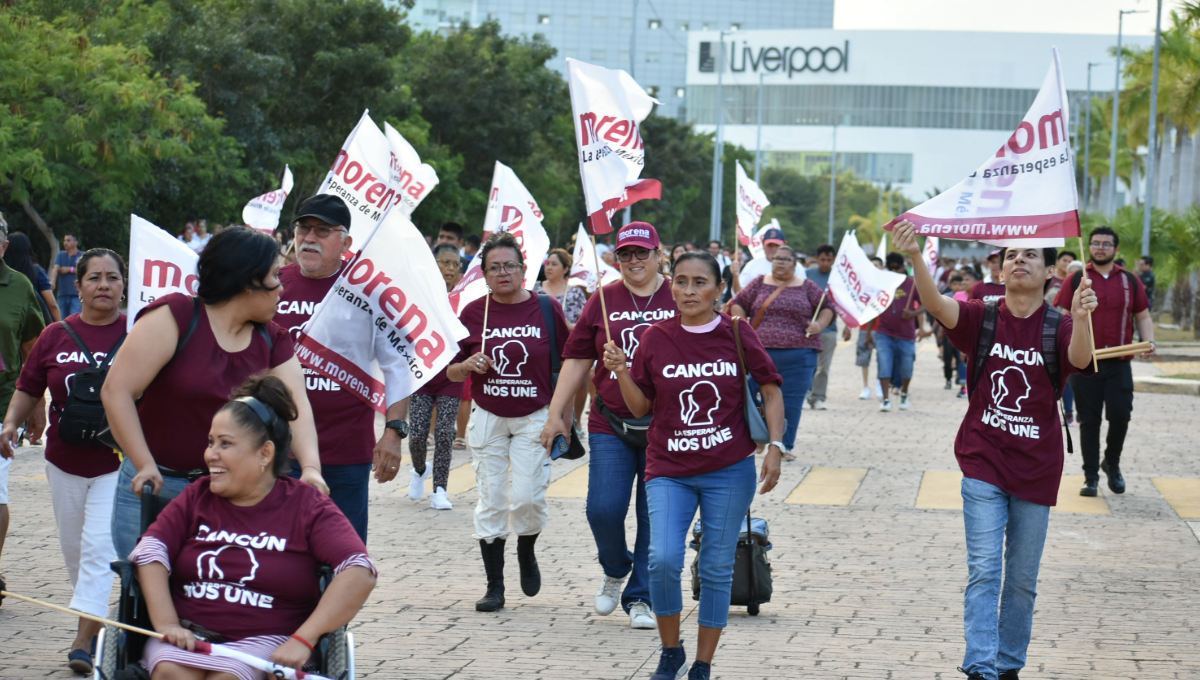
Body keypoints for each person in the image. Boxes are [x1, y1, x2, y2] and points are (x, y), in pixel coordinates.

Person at [894, 220, 1096, 680]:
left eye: (1030, 255)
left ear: (1050, 273)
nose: (1018, 260)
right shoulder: (982, 316)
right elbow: (936, 305)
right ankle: (981, 664)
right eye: (1010, 255)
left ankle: (1008, 665)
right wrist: (918, 258)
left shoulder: (1060, 324)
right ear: (1001, 270)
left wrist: (1082, 317)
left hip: (1038, 468)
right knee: (985, 569)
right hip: (982, 460)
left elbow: (1081, 360)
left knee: (1022, 581)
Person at [602, 251, 786, 680]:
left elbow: (772, 389)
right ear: (671, 286)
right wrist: (622, 372)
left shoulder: (737, 333)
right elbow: (639, 407)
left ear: (719, 289)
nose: (689, 290)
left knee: (717, 567)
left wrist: (775, 446)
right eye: (681, 281)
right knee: (663, 559)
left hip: (729, 469)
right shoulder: (655, 337)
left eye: (700, 282)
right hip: (668, 467)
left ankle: (702, 664)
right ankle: (671, 651)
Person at [128, 374, 377, 679]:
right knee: (170, 672)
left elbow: (358, 570)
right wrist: (167, 624)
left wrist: (303, 639)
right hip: (190, 635)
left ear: (265, 453)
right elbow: (151, 551)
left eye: (225, 444)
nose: (210, 454)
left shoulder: (306, 505)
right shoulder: (197, 495)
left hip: (267, 642)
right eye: (211, 442)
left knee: (232, 676)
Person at [102, 227, 328, 560]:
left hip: (233, 496)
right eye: (274, 277)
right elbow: (116, 391)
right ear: (247, 281)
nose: (282, 287)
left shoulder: (273, 339)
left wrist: (311, 467)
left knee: (214, 598)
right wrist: (144, 464)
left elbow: (296, 408)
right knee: (146, 602)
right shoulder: (177, 316)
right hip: (155, 489)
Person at [541, 222, 676, 630]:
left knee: (655, 516)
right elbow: (578, 358)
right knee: (603, 509)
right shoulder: (602, 298)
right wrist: (556, 414)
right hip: (610, 421)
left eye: (642, 253)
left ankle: (641, 597)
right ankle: (616, 567)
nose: (634, 261)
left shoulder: (681, 294)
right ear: (615, 258)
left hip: (666, 425)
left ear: (658, 254)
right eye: (625, 254)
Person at [2, 249, 127, 674]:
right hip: (62, 462)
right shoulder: (56, 334)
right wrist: (9, 423)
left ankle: (83, 639)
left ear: (124, 285)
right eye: (95, 278)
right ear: (78, 285)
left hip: (117, 463)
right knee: (75, 551)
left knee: (97, 548)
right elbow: (29, 384)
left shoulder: (141, 333)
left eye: (112, 277)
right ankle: (94, 617)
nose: (104, 285)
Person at [273, 195, 408, 541]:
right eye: (303, 229)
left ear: (346, 242)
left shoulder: (369, 292)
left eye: (322, 231)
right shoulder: (271, 285)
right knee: (282, 554)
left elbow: (397, 365)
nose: (309, 238)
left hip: (345, 453)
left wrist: (393, 433)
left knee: (343, 557)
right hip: (277, 450)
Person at [446, 231, 568, 613]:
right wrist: (466, 365)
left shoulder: (547, 310)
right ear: (483, 274)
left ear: (523, 269)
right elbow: (447, 372)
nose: (503, 273)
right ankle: (494, 585)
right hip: (489, 417)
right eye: (494, 268)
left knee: (529, 498)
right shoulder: (472, 314)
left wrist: (562, 417)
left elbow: (570, 364)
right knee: (492, 499)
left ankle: (526, 548)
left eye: (510, 266)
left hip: (535, 417)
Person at [1053, 226, 1154, 497]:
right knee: (1089, 420)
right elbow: (1063, 316)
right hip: (1085, 363)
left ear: (1115, 249)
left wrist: (1150, 342)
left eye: (1106, 244)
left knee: (1121, 416)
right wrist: (1062, 348)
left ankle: (1112, 462)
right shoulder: (1077, 279)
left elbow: (1142, 315)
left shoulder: (1130, 280)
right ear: (1090, 246)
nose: (1100, 248)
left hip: (1120, 363)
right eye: (1095, 243)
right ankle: (1090, 478)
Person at [730, 245, 833, 457]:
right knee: (753, 396)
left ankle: (783, 445)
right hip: (760, 354)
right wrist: (741, 324)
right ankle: (758, 438)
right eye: (777, 258)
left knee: (791, 401)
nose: (779, 262)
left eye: (785, 259)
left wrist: (819, 326)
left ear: (795, 264)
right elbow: (738, 302)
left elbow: (828, 307)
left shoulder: (807, 286)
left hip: (800, 355)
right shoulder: (759, 282)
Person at [0, 214, 48, 605]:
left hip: (1, 406)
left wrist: (37, 405)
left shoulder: (19, 286)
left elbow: (33, 349)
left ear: (3, 247)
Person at [408, 243, 467, 510]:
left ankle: (440, 489)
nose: (450, 269)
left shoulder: (465, 299)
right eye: (445, 262)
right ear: (434, 264)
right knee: (418, 435)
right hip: (423, 373)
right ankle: (420, 470)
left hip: (452, 376)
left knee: (445, 433)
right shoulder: (418, 295)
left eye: (455, 264)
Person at [875, 252, 924, 412]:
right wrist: (869, 333)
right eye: (891, 269)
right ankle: (885, 399)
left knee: (907, 367)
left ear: (903, 268)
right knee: (884, 364)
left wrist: (913, 313)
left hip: (906, 334)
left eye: (898, 269)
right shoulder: (881, 283)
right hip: (884, 332)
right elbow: (872, 309)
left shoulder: (911, 283)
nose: (895, 272)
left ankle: (904, 392)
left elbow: (926, 304)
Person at [804, 244, 839, 410]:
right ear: (817, 259)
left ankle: (818, 397)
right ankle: (804, 394)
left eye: (829, 260)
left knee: (823, 368)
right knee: (807, 365)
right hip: (807, 329)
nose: (825, 263)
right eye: (822, 259)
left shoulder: (838, 277)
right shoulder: (806, 275)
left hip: (829, 330)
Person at [4, 232, 60, 325]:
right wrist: (60, 326)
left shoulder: (4, 274)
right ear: (28, 249)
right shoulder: (36, 271)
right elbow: (52, 304)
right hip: (35, 325)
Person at [534, 249, 587, 330]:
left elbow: (587, 325)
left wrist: (569, 326)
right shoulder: (534, 289)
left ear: (565, 269)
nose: (549, 268)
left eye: (554, 264)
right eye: (547, 263)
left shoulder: (576, 294)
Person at [730, 227, 788, 294]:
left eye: (777, 245)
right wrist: (736, 276)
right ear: (763, 244)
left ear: (785, 244)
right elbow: (739, 294)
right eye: (770, 245)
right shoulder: (752, 265)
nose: (773, 249)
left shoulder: (795, 267)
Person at [53, 233, 84, 317]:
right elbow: (55, 268)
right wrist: (52, 282)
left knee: (75, 321)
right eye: (65, 240)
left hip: (76, 295)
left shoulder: (82, 255)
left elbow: (86, 271)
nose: (65, 243)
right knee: (62, 322)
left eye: (68, 240)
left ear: (76, 242)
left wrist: (70, 269)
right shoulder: (60, 255)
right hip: (62, 294)